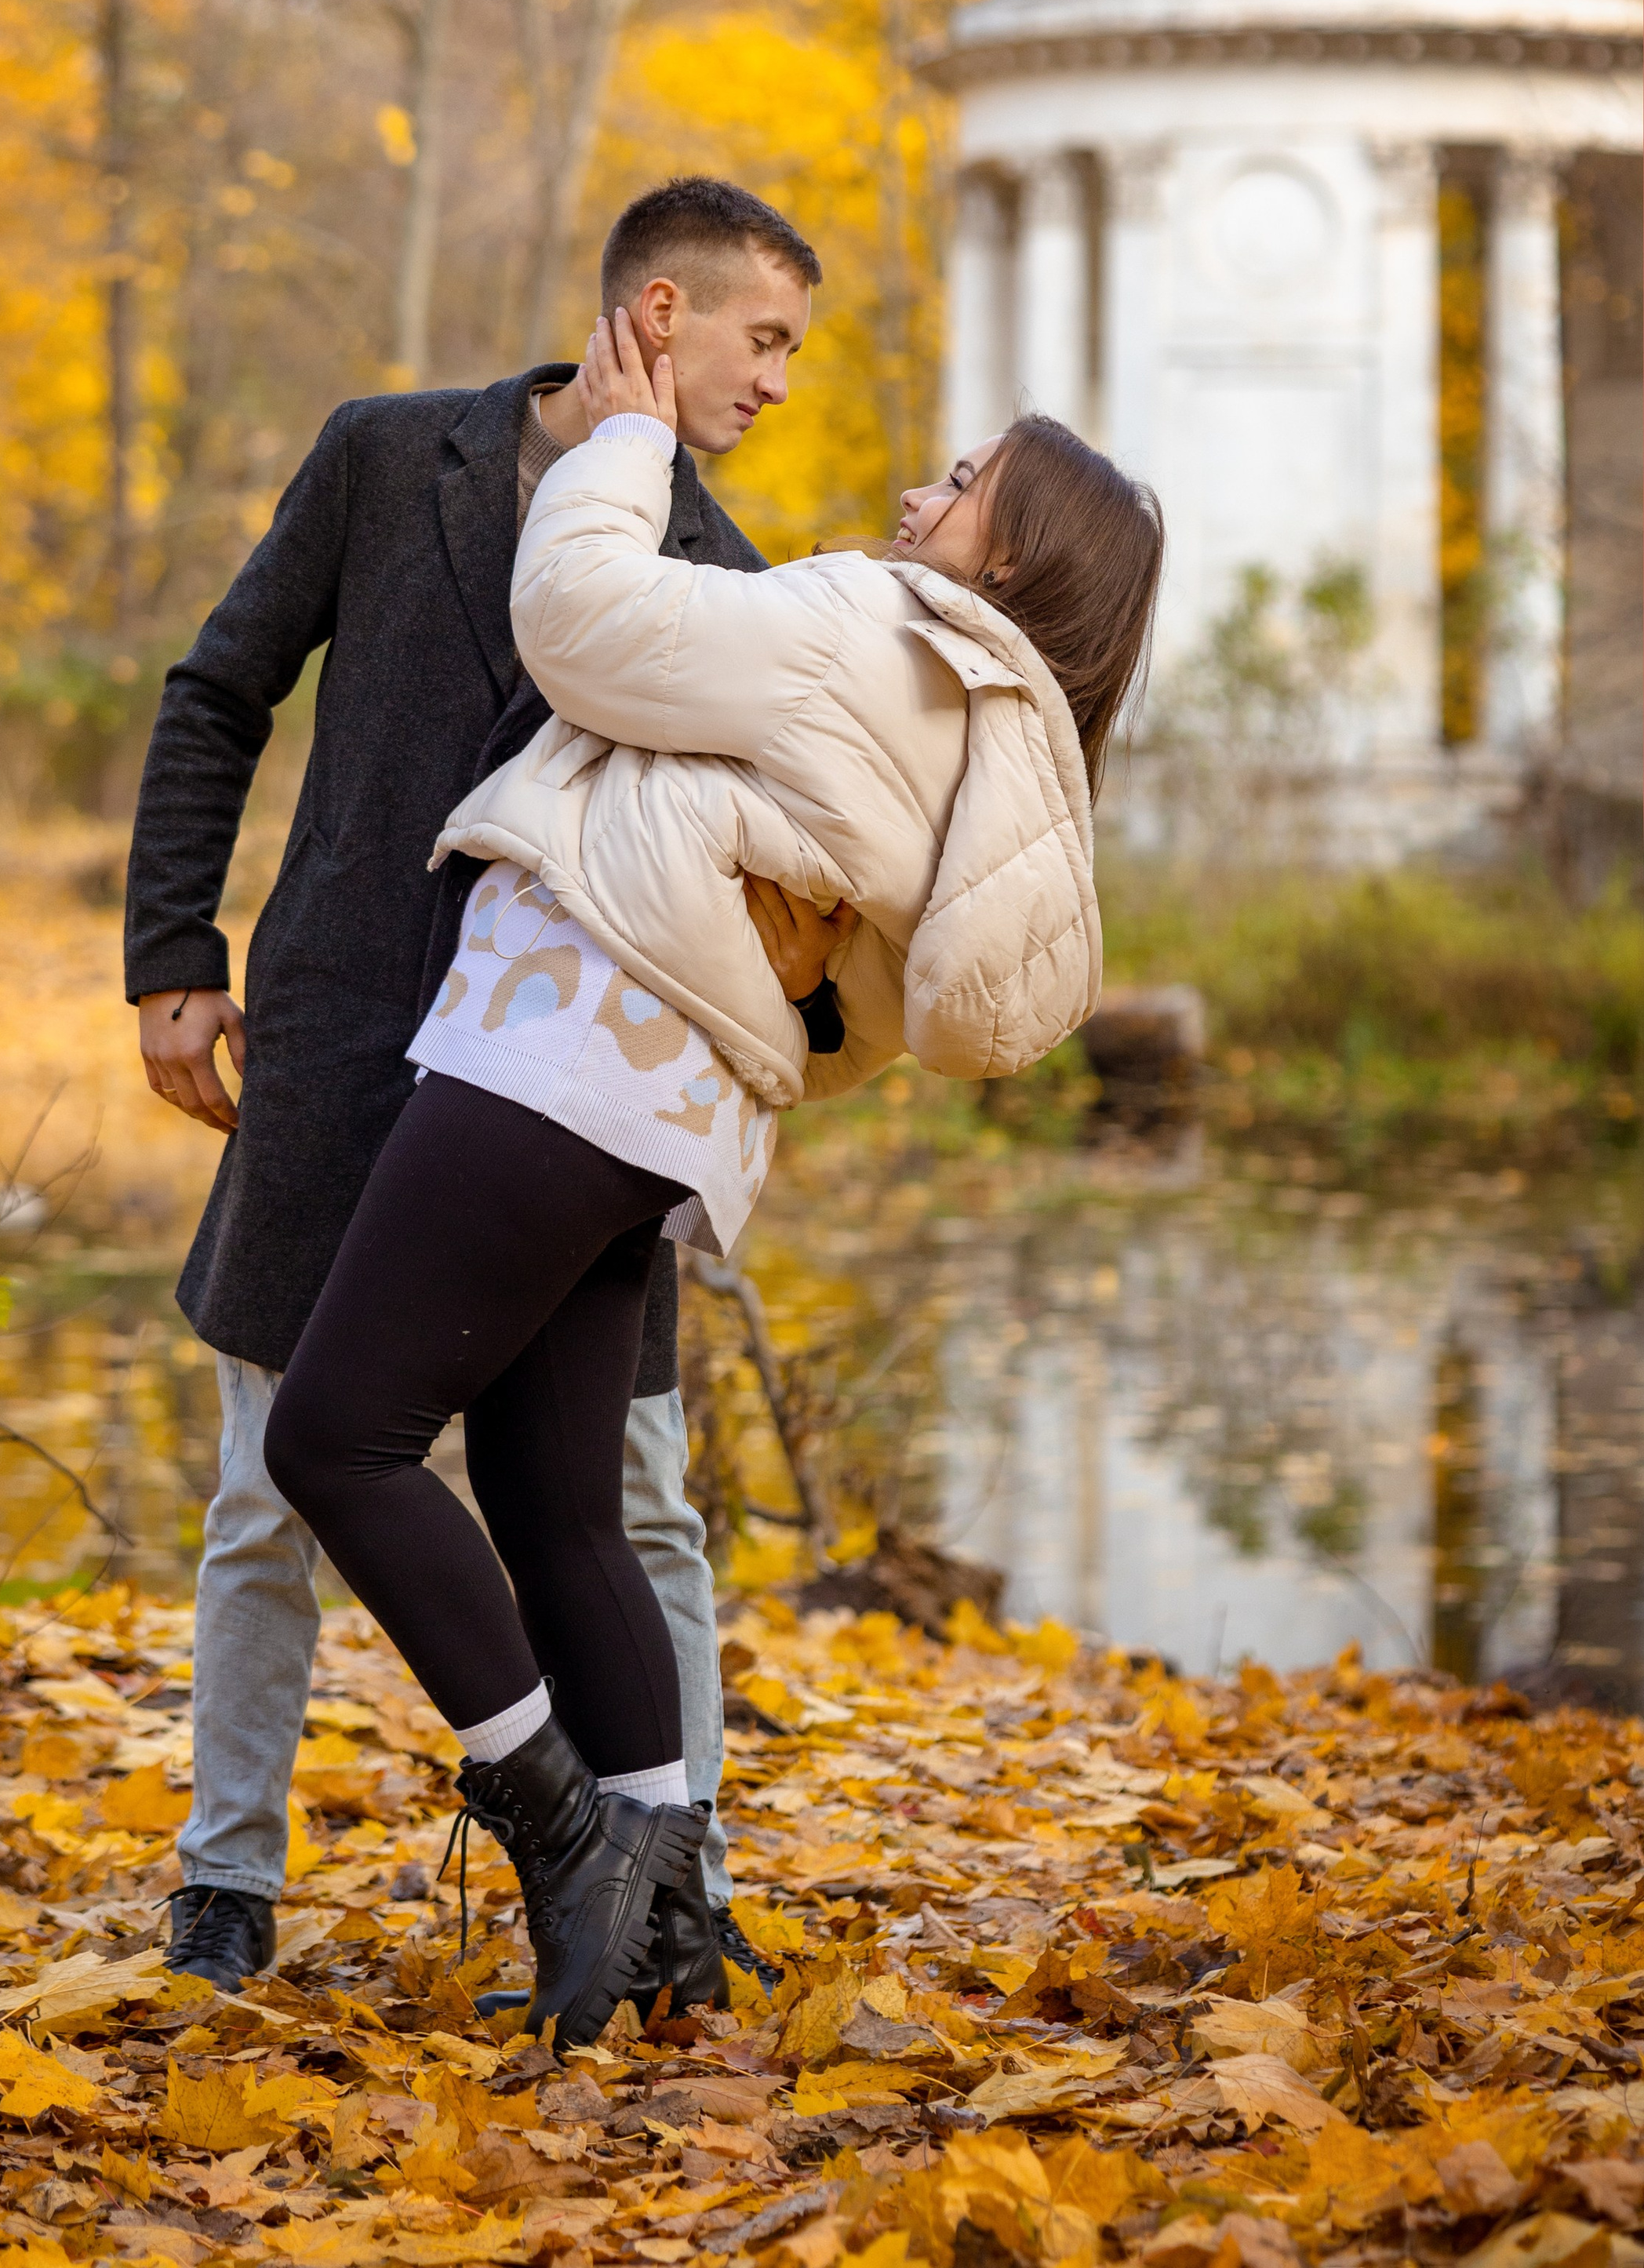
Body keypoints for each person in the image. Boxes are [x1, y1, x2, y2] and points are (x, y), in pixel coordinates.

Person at [261, 316, 1165, 2047]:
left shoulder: (868, 627)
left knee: (336, 1436)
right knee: (556, 1507)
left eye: (964, 480)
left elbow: (586, 627)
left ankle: (562, 1825)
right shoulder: (990, 737)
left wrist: (621, 441)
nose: (922, 490)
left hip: (570, 1034)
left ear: (1018, 549)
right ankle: (663, 1913)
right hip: (665, 1102)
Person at [124, 176, 843, 1994]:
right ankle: (226, 1892)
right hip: (340, 1051)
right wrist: (172, 959)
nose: (778, 386)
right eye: (764, 341)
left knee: (640, 1498)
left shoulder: (726, 579)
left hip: (568, 1110)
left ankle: (674, 1885)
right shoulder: (385, 459)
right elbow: (219, 693)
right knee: (262, 1494)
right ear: (660, 315)